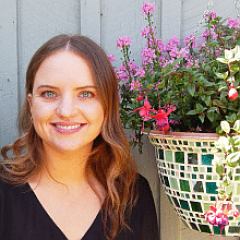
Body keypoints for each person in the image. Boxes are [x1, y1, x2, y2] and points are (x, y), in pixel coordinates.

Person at [0, 34, 159, 240]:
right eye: (49, 93)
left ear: (106, 106)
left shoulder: (133, 196)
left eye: (86, 94)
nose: (66, 111)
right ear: (31, 105)